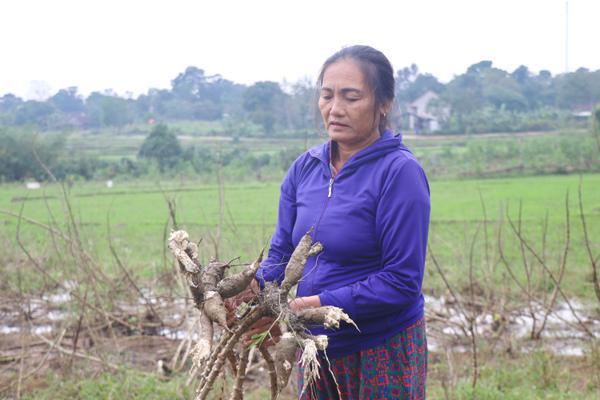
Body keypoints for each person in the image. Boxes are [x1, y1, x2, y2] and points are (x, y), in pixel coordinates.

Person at [251, 45, 430, 399]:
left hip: (382, 346)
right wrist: (253, 293)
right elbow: (281, 253)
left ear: (384, 104)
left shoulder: (399, 173)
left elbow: (401, 281)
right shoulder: (304, 169)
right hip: (316, 346)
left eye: (351, 97)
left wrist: (312, 304)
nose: (335, 109)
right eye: (327, 96)